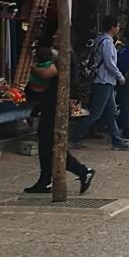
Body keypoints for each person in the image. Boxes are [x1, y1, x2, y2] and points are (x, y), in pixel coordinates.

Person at [25, 48, 94, 194]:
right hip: (51, 104)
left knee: (53, 145)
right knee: (48, 145)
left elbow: (46, 73)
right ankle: (46, 180)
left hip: (57, 107)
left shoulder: (66, 56)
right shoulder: (61, 55)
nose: (55, 37)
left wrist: (30, 65)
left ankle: (82, 171)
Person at [70, 15, 129, 150]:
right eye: (117, 26)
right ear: (112, 27)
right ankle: (74, 137)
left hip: (104, 81)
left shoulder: (100, 39)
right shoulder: (107, 43)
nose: (119, 28)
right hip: (104, 81)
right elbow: (110, 63)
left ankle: (116, 141)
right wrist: (120, 77)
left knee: (111, 113)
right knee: (95, 113)